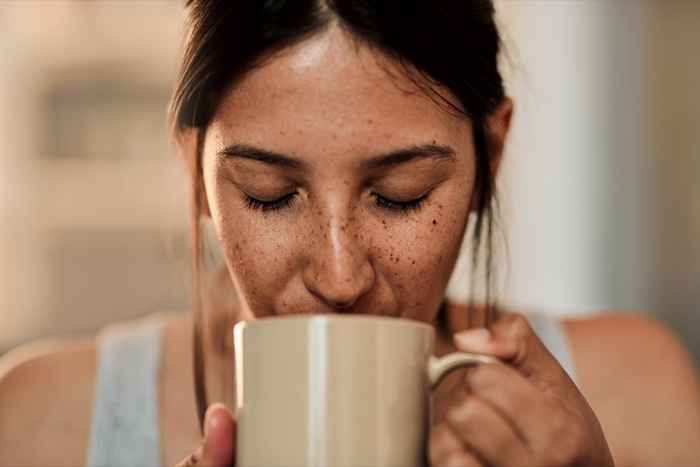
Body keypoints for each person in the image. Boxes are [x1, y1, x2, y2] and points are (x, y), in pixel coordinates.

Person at [1, 1, 700, 466]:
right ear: (195, 174)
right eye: (270, 196)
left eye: (401, 196)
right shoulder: (39, 423)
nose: (340, 276)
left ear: (492, 158)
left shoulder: (633, 395)